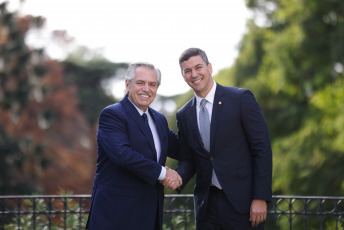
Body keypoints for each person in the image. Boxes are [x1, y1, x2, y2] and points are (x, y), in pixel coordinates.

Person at [174, 48, 272, 229]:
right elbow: (188, 158)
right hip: (206, 207)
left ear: (209, 67)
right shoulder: (184, 114)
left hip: (243, 204)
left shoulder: (240, 99)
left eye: (198, 67)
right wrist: (173, 177)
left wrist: (260, 197)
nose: (194, 74)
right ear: (183, 75)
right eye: (188, 71)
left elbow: (262, 149)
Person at [86, 62, 182, 230]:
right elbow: (123, 155)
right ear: (127, 84)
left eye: (152, 84)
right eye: (140, 83)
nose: (146, 88)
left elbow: (182, 150)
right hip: (116, 217)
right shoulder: (112, 115)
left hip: (150, 217)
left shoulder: (159, 120)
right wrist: (164, 173)